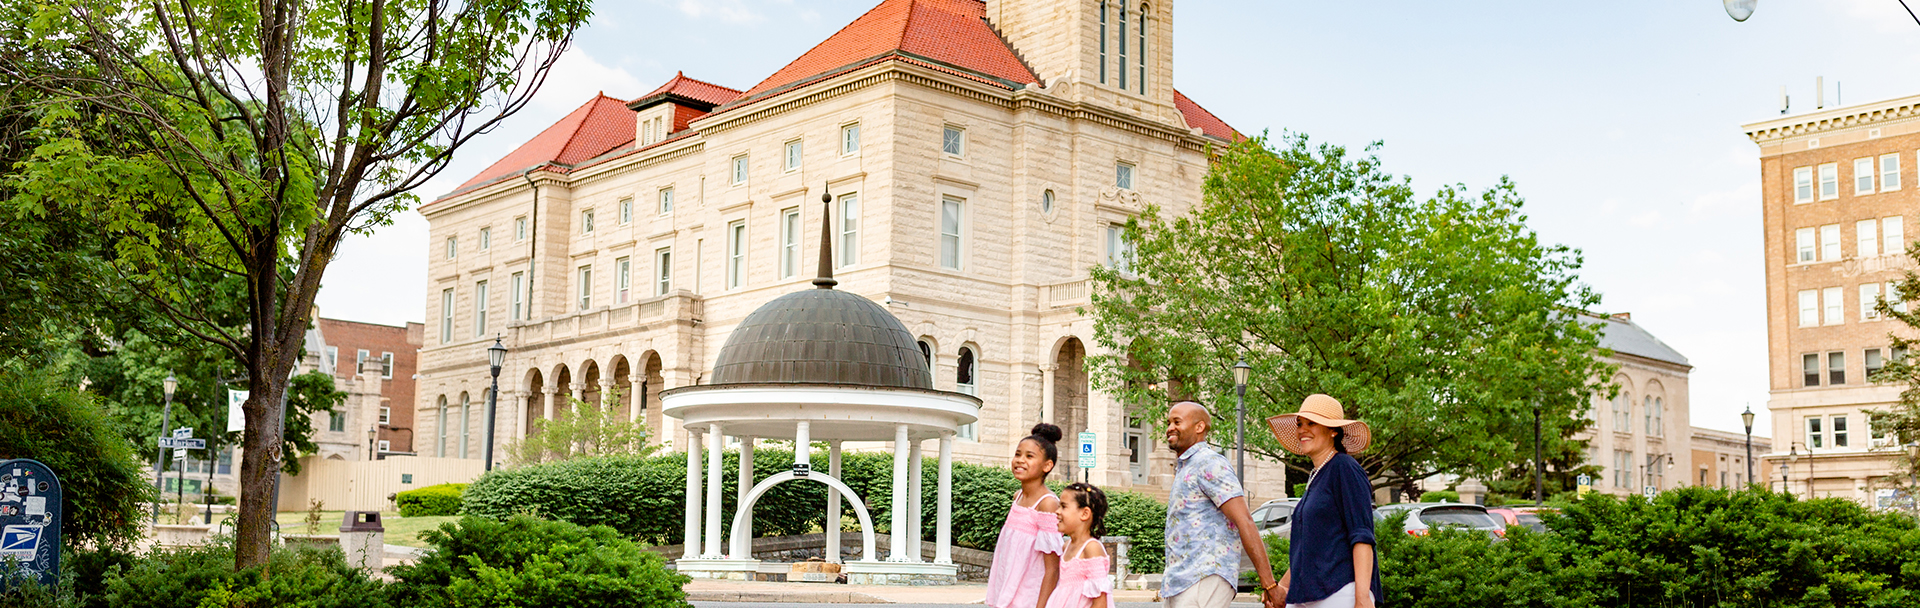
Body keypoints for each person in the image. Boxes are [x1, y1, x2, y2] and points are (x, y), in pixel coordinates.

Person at [1161, 401, 1283, 608]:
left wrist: (1269, 585)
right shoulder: (1186, 466)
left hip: (1205, 575)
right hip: (1181, 580)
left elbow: (1244, 520)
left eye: (1177, 422)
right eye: (1169, 422)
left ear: (1199, 427)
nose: (1169, 428)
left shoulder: (1210, 463)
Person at [1268, 394, 1383, 608]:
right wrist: (1283, 588)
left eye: (1312, 423)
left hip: (1340, 593)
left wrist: (1362, 598)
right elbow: (1310, 546)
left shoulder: (1344, 467)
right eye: (1300, 423)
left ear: (1333, 431)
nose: (1302, 429)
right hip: (1308, 595)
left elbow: (1362, 535)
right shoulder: (1316, 475)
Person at [986, 423, 1066, 608]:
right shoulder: (1018, 497)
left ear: (1047, 465)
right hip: (1007, 591)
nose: (1020, 460)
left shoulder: (1047, 504)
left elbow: (1052, 569)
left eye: (1029, 456)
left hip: (1030, 597)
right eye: (1018, 454)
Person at [1047, 482, 1114, 608]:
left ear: (1084, 514)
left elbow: (1100, 601)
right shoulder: (1066, 547)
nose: (1057, 511)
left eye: (1063, 507)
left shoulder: (1091, 548)